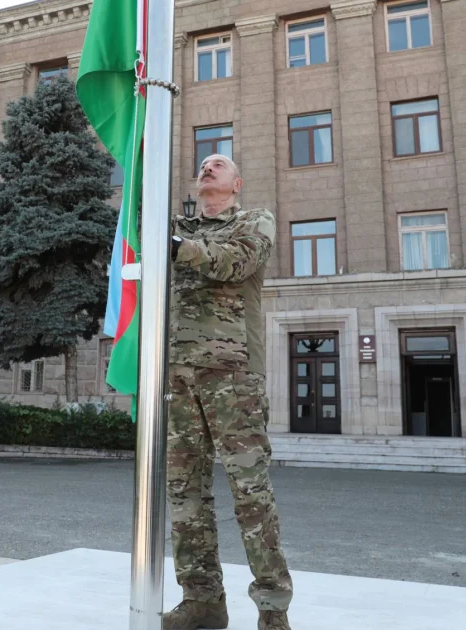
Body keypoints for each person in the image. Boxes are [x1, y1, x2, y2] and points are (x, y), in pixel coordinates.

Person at [164, 154, 293, 630]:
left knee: (250, 493)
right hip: (177, 375)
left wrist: (179, 245)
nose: (207, 167)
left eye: (218, 164)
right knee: (185, 493)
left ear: (236, 183)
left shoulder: (254, 221)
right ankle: (202, 602)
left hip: (232, 375)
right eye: (202, 164)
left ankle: (273, 611)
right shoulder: (173, 225)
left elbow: (236, 262)